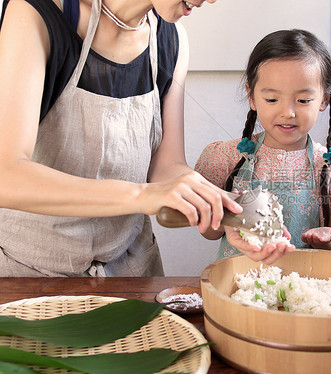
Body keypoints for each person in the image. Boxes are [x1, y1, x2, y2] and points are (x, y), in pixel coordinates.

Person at [0, 0, 289, 276]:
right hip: (31, 273)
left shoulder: (171, 39)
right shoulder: (37, 14)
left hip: (130, 268)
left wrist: (228, 211)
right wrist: (142, 195)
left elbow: (167, 168)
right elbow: (7, 175)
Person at [195, 29, 331, 259]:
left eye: (303, 100)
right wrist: (227, 217)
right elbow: (210, 234)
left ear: (324, 99)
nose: (288, 112)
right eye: (272, 99)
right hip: (240, 285)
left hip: (305, 285)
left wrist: (325, 239)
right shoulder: (226, 158)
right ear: (252, 96)